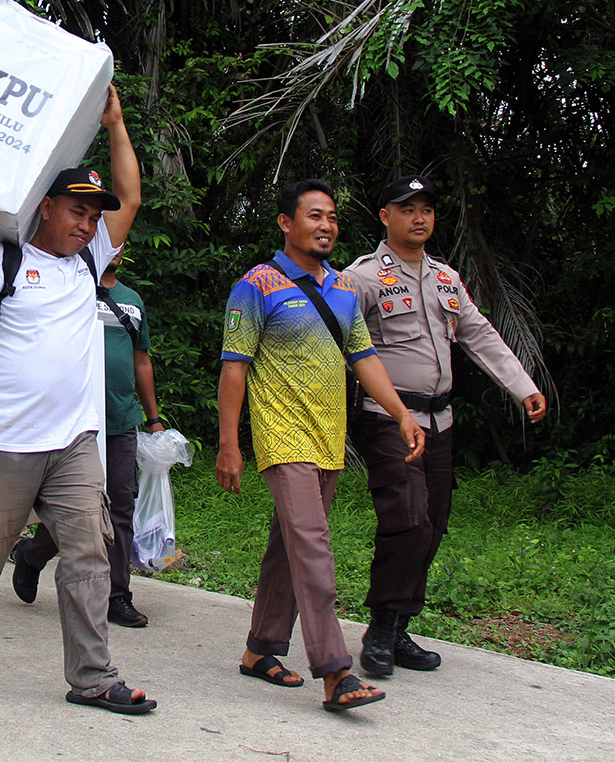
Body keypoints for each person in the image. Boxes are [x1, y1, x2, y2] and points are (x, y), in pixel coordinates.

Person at [0, 85, 156, 715]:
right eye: (77, 211)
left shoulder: (90, 261)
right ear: (46, 207)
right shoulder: (6, 256)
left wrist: (115, 125)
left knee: (88, 552)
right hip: (2, 440)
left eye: (94, 216)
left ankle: (93, 676)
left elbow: (132, 196)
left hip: (73, 440)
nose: (88, 224)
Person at [216, 179, 426, 713]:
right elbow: (234, 369)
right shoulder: (256, 285)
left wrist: (401, 414)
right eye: (314, 216)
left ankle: (260, 648)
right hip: (283, 437)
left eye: (331, 217)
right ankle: (336, 671)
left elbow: (365, 358)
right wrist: (228, 444)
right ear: (286, 223)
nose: (326, 225)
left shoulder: (344, 288)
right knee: (312, 546)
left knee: (289, 546)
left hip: (329, 437)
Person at [343, 175, 547, 675]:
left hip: (440, 419)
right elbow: (337, 342)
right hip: (389, 417)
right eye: (407, 209)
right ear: (385, 217)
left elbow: (479, 334)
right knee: (408, 516)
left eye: (427, 210)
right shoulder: (361, 277)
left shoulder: (446, 278)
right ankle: (381, 630)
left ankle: (399, 626)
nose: (419, 218)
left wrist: (522, 386)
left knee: (432, 522)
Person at [10, 246, 164, 628]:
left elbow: (141, 359)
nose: (115, 250)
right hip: (70, 421)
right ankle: (32, 555)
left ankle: (117, 596)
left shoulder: (132, 300)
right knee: (74, 509)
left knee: (121, 505)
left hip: (120, 419)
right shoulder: (66, 290)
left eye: (120, 244)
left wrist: (154, 419)